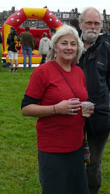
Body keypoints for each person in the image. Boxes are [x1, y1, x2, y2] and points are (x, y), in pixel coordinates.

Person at [21, 25, 94, 194]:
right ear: (55, 47)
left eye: (73, 44)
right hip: (52, 148)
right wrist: (56, 109)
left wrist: (86, 109)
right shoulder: (42, 72)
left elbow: (80, 98)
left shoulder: (78, 72)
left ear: (78, 48)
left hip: (76, 146)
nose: (69, 47)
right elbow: (26, 108)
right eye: (64, 43)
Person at [78, 7, 110, 194]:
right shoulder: (69, 46)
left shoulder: (107, 49)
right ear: (80, 24)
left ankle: (92, 190)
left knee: (93, 161)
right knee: (72, 158)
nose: (93, 27)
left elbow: (109, 79)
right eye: (89, 23)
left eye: (96, 23)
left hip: (99, 113)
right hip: (71, 113)